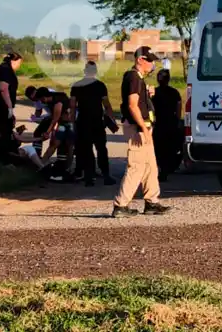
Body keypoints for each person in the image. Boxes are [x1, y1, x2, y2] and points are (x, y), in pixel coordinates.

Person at [112, 46, 172, 218]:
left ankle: (152, 201)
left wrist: (148, 95)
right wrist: (143, 128)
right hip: (138, 128)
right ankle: (121, 205)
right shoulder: (133, 77)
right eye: (150, 60)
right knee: (137, 166)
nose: (152, 64)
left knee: (150, 167)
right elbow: (132, 105)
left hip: (144, 127)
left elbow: (139, 102)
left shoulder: (139, 79)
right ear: (140, 60)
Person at [70, 61, 116, 186]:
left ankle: (89, 178)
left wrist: (72, 122)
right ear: (95, 72)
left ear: (84, 71)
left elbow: (73, 106)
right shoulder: (100, 85)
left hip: (83, 122)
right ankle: (106, 175)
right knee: (101, 149)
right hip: (97, 122)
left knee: (86, 150)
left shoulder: (76, 86)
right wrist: (112, 120)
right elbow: (106, 105)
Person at [33, 86, 76, 178]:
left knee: (69, 147)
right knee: (53, 145)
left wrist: (47, 132)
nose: (40, 102)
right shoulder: (52, 100)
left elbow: (55, 119)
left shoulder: (57, 102)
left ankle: (67, 169)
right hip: (62, 124)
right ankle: (40, 165)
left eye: (41, 99)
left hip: (69, 125)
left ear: (44, 97)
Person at [0, 51, 23, 164]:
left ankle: (3, 157)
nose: (19, 66)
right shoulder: (6, 70)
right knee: (6, 134)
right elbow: (4, 88)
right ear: (14, 61)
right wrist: (9, 107)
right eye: (19, 63)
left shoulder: (2, 68)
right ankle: (5, 159)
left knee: (5, 130)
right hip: (2, 105)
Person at [151, 68, 183, 182]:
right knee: (169, 148)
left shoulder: (154, 93)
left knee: (158, 148)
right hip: (171, 123)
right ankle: (166, 169)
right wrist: (178, 121)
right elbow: (178, 109)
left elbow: (151, 109)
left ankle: (160, 168)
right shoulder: (174, 92)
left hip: (159, 123)